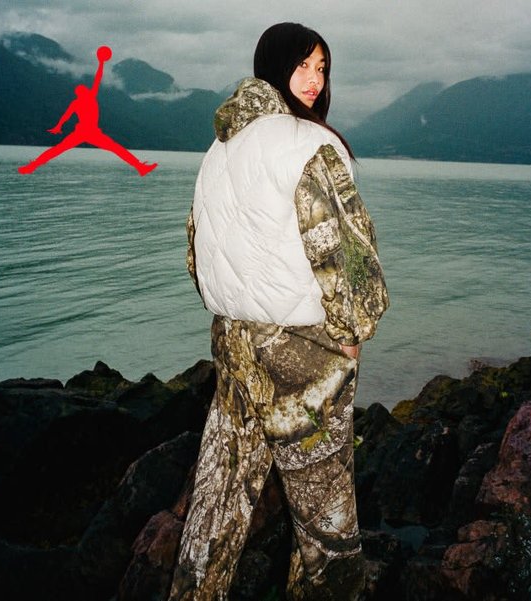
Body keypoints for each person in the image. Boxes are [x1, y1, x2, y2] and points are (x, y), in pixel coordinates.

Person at [171, 22, 388, 600]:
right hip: (301, 354)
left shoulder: (216, 149)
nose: (315, 79)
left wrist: (237, 309)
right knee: (326, 524)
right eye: (303, 66)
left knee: (218, 506)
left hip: (235, 346)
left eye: (322, 68)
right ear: (274, 67)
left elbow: (196, 250)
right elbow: (345, 252)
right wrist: (352, 333)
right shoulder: (306, 144)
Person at [18, 45, 157, 176]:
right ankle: (140, 167)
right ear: (81, 93)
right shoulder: (88, 99)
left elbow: (66, 116)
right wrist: (101, 63)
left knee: (58, 150)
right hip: (86, 132)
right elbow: (96, 80)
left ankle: (140, 167)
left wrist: (58, 126)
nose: (85, 90)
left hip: (88, 132)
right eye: (83, 90)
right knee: (116, 149)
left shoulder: (79, 101)